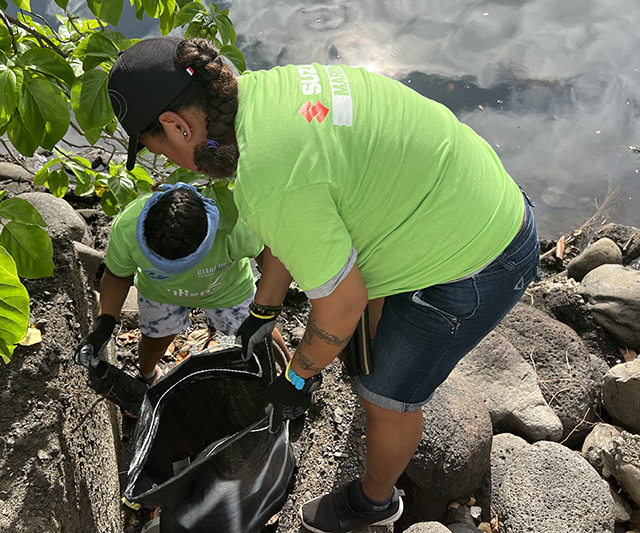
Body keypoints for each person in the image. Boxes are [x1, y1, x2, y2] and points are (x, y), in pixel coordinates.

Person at [107, 36, 542, 533]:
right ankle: (369, 377)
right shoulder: (265, 98)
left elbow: (341, 301)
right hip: (468, 193)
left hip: (477, 260)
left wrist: (298, 377)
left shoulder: (269, 177)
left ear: (177, 126)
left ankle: (372, 503)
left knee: (386, 396)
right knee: (364, 341)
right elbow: (289, 233)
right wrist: (263, 313)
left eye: (155, 148)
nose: (166, 162)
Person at [75, 182, 291, 383]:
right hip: (160, 293)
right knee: (154, 341)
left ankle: (294, 377)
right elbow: (117, 275)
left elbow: (270, 262)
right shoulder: (127, 227)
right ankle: (149, 375)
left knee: (260, 334)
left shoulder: (235, 225)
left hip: (227, 288)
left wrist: (265, 310)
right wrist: (104, 326)